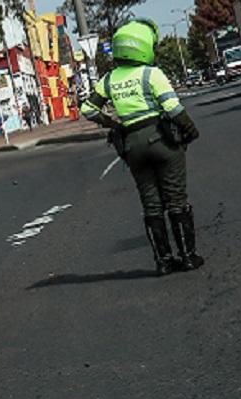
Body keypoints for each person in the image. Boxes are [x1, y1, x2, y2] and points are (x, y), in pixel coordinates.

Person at [81, 18, 205, 276]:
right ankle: (188, 256)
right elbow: (173, 108)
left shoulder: (109, 79)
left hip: (132, 144)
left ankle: (163, 261)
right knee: (176, 199)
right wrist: (191, 131)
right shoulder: (151, 74)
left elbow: (87, 108)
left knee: (151, 204)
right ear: (144, 46)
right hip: (161, 140)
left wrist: (113, 124)